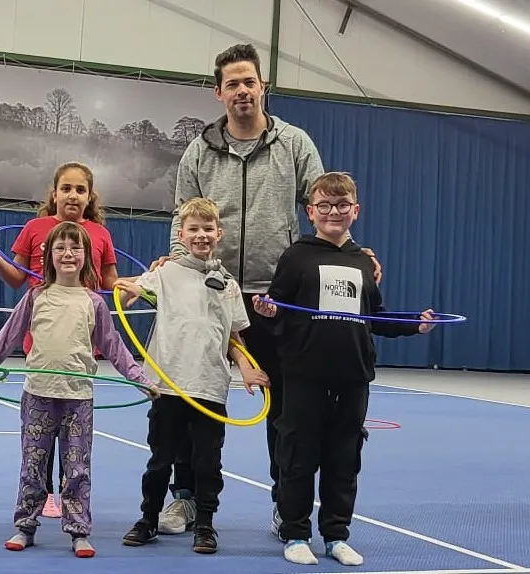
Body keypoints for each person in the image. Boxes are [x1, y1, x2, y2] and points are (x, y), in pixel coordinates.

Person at [161, 43, 382, 537]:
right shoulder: (198, 150)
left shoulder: (296, 144)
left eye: (250, 81)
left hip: (276, 301)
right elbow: (182, 222)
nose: (242, 91)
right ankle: (186, 498)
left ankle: (286, 503)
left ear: (263, 87)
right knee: (191, 402)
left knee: (285, 412)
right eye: (232, 84)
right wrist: (177, 270)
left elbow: (325, 210)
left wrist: (356, 255)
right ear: (218, 93)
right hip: (209, 297)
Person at [251, 172, 435, 566]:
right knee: (298, 457)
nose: (333, 212)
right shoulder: (297, 255)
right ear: (311, 212)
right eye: (324, 206)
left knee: (343, 459)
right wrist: (267, 311)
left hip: (352, 377)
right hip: (304, 375)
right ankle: (296, 533)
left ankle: (336, 535)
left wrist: (414, 325)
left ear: (355, 210)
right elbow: (277, 310)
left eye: (341, 206)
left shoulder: (363, 262)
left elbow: (375, 317)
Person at [0, 221, 160, 559]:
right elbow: (8, 337)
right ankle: (25, 526)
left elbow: (114, 347)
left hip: (78, 398)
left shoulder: (94, 302)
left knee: (77, 468)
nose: (68, 253)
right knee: (33, 464)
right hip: (38, 394)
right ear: (47, 256)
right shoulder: (36, 296)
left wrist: (139, 379)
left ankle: (79, 531)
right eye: (60, 247)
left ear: (86, 257)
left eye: (76, 248)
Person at [114, 198, 269, 554]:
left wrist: (246, 367)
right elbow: (135, 290)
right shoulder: (165, 273)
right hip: (167, 384)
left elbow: (233, 335)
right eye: (193, 229)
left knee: (207, 462)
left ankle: (205, 525)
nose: (201, 235)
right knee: (160, 459)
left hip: (210, 386)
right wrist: (130, 291)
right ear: (181, 234)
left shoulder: (227, 284)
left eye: (208, 229)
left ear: (219, 233)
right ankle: (148, 519)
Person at [0, 161, 119, 518]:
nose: (72, 195)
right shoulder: (35, 228)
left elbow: (110, 283)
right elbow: (16, 278)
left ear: (89, 196)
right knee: (41, 432)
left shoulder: (100, 234)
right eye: (66, 188)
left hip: (80, 344)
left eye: (80, 189)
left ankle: (73, 510)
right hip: (44, 340)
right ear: (54, 193)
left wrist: (146, 283)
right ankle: (44, 498)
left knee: (74, 438)